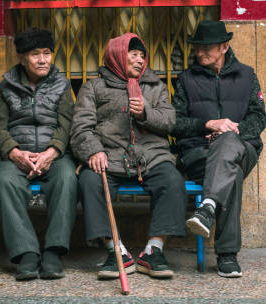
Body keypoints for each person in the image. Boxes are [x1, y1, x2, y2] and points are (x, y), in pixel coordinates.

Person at [71, 33, 186, 279]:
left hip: (151, 156)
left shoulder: (156, 87)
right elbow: (81, 127)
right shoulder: (94, 87)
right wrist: (94, 150)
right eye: (133, 54)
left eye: (142, 56)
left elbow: (169, 122)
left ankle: (153, 250)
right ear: (117, 56)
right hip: (109, 156)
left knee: (172, 180)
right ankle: (116, 251)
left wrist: (146, 113)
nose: (139, 60)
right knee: (90, 181)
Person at [172, 20, 266, 278]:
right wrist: (207, 124)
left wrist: (231, 131)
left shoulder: (247, 75)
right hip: (197, 154)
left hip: (242, 149)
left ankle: (208, 206)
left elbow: (259, 118)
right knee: (230, 175)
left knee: (227, 145)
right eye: (197, 48)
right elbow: (175, 123)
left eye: (207, 48)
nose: (199, 53)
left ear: (224, 46)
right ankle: (227, 255)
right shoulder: (186, 79)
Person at [0, 27, 77, 281]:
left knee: (68, 179)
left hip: (54, 155)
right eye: (35, 54)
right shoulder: (6, 87)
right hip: (17, 155)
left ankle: (53, 251)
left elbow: (67, 123)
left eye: (47, 53)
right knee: (4, 180)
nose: (42, 60)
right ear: (22, 58)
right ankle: (26, 253)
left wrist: (52, 151)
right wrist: (15, 153)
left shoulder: (61, 84)